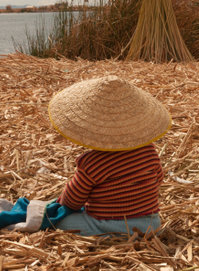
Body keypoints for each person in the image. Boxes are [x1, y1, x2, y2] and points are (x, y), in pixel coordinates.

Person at [48, 76, 171, 236]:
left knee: (62, 222)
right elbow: (158, 179)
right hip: (151, 224)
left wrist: (61, 203)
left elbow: (72, 201)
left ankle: (111, 236)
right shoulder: (149, 151)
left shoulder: (92, 163)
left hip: (110, 224)